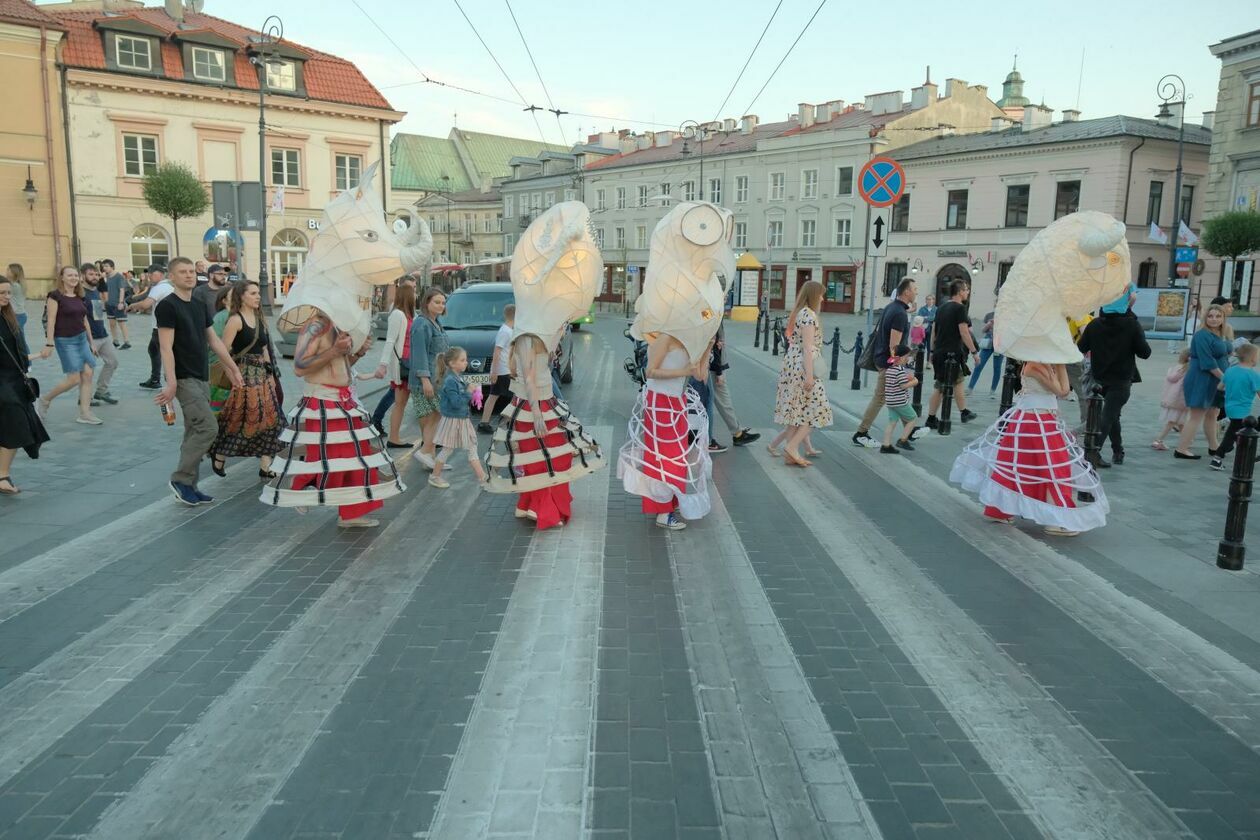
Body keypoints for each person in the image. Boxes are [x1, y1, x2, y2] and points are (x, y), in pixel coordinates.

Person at [152, 257, 243, 506]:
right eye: (183, 272)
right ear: (172, 277)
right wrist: (171, 382)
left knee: (194, 429)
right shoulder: (167, 306)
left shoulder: (199, 304)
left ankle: (191, 484)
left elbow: (214, 341)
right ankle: (181, 479)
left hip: (201, 375)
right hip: (183, 377)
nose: (189, 275)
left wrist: (233, 370)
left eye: (192, 271)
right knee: (208, 428)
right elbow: (165, 347)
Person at [620, 333, 713, 530]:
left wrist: (707, 347)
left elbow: (700, 376)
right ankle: (663, 511)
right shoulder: (665, 338)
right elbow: (650, 371)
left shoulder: (691, 339)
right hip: (660, 401)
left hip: (678, 401)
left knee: (678, 456)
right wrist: (683, 370)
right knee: (664, 457)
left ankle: (669, 501)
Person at [208, 281, 285, 479]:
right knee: (239, 419)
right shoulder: (235, 320)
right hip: (243, 375)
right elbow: (223, 351)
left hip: (262, 376)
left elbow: (265, 348)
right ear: (242, 297)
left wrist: (271, 374)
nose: (258, 296)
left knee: (270, 419)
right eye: (253, 293)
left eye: (259, 293)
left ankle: (265, 464)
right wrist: (233, 375)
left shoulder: (260, 317)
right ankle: (220, 453)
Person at [1076, 304, 1152, 467]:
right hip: (1121, 379)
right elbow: (1145, 353)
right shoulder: (1131, 325)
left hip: (1100, 378)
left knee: (1111, 414)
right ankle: (1092, 452)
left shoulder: (1095, 324)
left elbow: (1081, 347)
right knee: (1109, 415)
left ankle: (1118, 451)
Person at [773, 280, 833, 466]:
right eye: (821, 294)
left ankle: (790, 453)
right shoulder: (808, 315)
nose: (823, 298)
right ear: (814, 295)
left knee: (796, 410)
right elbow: (807, 347)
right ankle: (792, 448)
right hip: (803, 367)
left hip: (794, 364)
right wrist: (809, 376)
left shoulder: (800, 313)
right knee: (816, 409)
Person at [35, 266, 102, 426]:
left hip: (81, 339)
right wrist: (49, 343)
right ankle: (44, 400)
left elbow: (84, 320)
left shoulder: (80, 295)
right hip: (65, 340)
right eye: (69, 275)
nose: (73, 278)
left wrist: (91, 342)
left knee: (87, 374)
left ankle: (85, 413)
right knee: (73, 379)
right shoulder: (55, 296)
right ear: (62, 278)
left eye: (75, 275)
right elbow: (51, 320)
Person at [853, 278, 916, 448]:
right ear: (906, 292)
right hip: (888, 363)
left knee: (897, 396)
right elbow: (894, 346)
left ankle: (910, 431)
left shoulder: (891, 307)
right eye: (914, 289)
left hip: (882, 359)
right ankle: (861, 432)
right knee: (881, 398)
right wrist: (897, 366)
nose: (916, 292)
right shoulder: (900, 314)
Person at [0, 275, 48, 495]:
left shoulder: (9, 317)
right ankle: (2, 475)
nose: (7, 297)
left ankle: (2, 474)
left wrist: (35, 357)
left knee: (15, 424)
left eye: (9, 292)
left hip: (14, 379)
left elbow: (17, 351)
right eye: (2, 293)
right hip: (3, 383)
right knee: (16, 422)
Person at [1174, 304, 1230, 460]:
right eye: (1211, 316)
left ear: (1223, 318)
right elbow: (1207, 362)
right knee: (1197, 415)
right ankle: (1181, 449)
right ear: (1205, 318)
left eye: (1218, 316)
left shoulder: (1220, 333)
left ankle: (1214, 446)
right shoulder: (1202, 335)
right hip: (1202, 379)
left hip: (1215, 380)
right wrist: (1226, 378)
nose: (1214, 319)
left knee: (1213, 413)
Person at [425, 346, 486, 489]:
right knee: (448, 449)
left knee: (471, 447)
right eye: (463, 360)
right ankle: (434, 476)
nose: (466, 363)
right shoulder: (450, 381)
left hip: (461, 419)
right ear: (452, 363)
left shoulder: (457, 378)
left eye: (466, 360)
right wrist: (469, 391)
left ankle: (483, 478)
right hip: (454, 420)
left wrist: (471, 391)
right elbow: (456, 403)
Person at [924, 280, 979, 429]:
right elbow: (964, 332)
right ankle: (963, 413)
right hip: (952, 354)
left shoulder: (941, 308)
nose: (967, 292)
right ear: (960, 291)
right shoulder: (960, 309)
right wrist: (974, 352)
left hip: (940, 353)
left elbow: (933, 331)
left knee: (942, 386)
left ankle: (932, 418)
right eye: (966, 289)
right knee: (955, 383)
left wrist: (932, 351)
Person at [408, 287, 449, 468]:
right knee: (434, 417)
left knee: (435, 417)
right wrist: (425, 380)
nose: (441, 305)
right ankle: (426, 453)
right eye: (437, 302)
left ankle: (430, 459)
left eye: (443, 302)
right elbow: (419, 355)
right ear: (426, 303)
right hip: (426, 381)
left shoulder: (435, 322)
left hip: (438, 378)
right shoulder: (422, 324)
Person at [373, 281, 416, 448]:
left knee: (402, 403)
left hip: (410, 363)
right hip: (402, 365)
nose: (416, 294)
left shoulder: (411, 315)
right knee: (400, 402)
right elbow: (390, 341)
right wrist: (383, 365)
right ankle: (394, 437)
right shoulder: (398, 315)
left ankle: (394, 437)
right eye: (413, 291)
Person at [706, 324, 760, 449]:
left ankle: (736, 432)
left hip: (712, 364)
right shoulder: (713, 311)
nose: (726, 302)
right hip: (713, 366)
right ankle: (735, 434)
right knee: (720, 402)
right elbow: (713, 342)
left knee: (715, 402)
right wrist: (719, 371)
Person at [1210, 342, 1260, 471]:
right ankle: (1217, 458)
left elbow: (1220, 387)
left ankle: (1247, 455)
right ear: (1253, 358)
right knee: (1233, 434)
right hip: (1242, 410)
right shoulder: (1254, 375)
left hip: (1229, 407)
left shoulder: (1230, 370)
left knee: (1239, 432)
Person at [80, 263, 120, 406]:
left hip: (102, 335)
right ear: (82, 276)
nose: (95, 277)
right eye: (91, 274)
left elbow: (97, 315)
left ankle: (101, 391)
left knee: (112, 362)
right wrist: (88, 340)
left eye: (97, 274)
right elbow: (80, 319)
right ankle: (85, 397)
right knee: (87, 369)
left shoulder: (95, 291)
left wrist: (104, 331)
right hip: (88, 338)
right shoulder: (80, 293)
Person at [128, 265, 173, 389]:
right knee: (154, 350)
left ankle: (158, 379)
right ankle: (156, 379)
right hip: (167, 325)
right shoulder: (169, 287)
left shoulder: (159, 288)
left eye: (152, 274)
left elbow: (146, 304)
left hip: (160, 327)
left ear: (161, 274)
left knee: (159, 351)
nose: (149, 277)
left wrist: (133, 305)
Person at [478, 303, 515, 434]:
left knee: (501, 396)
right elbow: (497, 352)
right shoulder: (505, 332)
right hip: (502, 370)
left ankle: (490, 422)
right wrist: (494, 372)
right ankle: (487, 422)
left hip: (506, 370)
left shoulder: (508, 330)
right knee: (497, 396)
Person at [881, 343, 919, 454]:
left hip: (890, 401)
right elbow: (903, 386)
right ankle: (902, 440)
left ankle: (886, 445)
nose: (908, 359)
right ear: (901, 358)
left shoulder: (889, 370)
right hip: (900, 402)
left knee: (892, 422)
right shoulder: (900, 371)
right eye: (907, 357)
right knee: (912, 418)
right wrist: (914, 381)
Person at [1151, 349, 1190, 451]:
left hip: (1172, 399)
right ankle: (1158, 440)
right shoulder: (1187, 370)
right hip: (1181, 400)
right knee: (1172, 421)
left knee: (1181, 422)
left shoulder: (1175, 368)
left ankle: (1186, 441)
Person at [966, 310, 1003, 398]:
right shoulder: (989, 315)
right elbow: (983, 330)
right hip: (988, 343)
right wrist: (989, 324)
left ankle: (992, 391)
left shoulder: (1008, 317)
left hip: (1000, 344)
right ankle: (970, 388)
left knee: (997, 368)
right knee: (979, 365)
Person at [101, 259, 131, 349]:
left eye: (106, 266)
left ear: (112, 267)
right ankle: (115, 341)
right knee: (112, 323)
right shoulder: (106, 277)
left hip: (118, 304)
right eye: (103, 266)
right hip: (109, 304)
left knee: (122, 323)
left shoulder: (119, 276)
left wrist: (121, 302)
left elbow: (122, 289)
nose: (104, 268)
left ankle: (127, 342)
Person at [5, 264, 27, 339]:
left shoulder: (15, 286)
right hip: (19, 314)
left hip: (17, 315)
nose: (6, 271)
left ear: (14, 273)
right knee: (20, 339)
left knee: (17, 339)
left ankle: (23, 351)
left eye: (8, 270)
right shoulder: (17, 285)